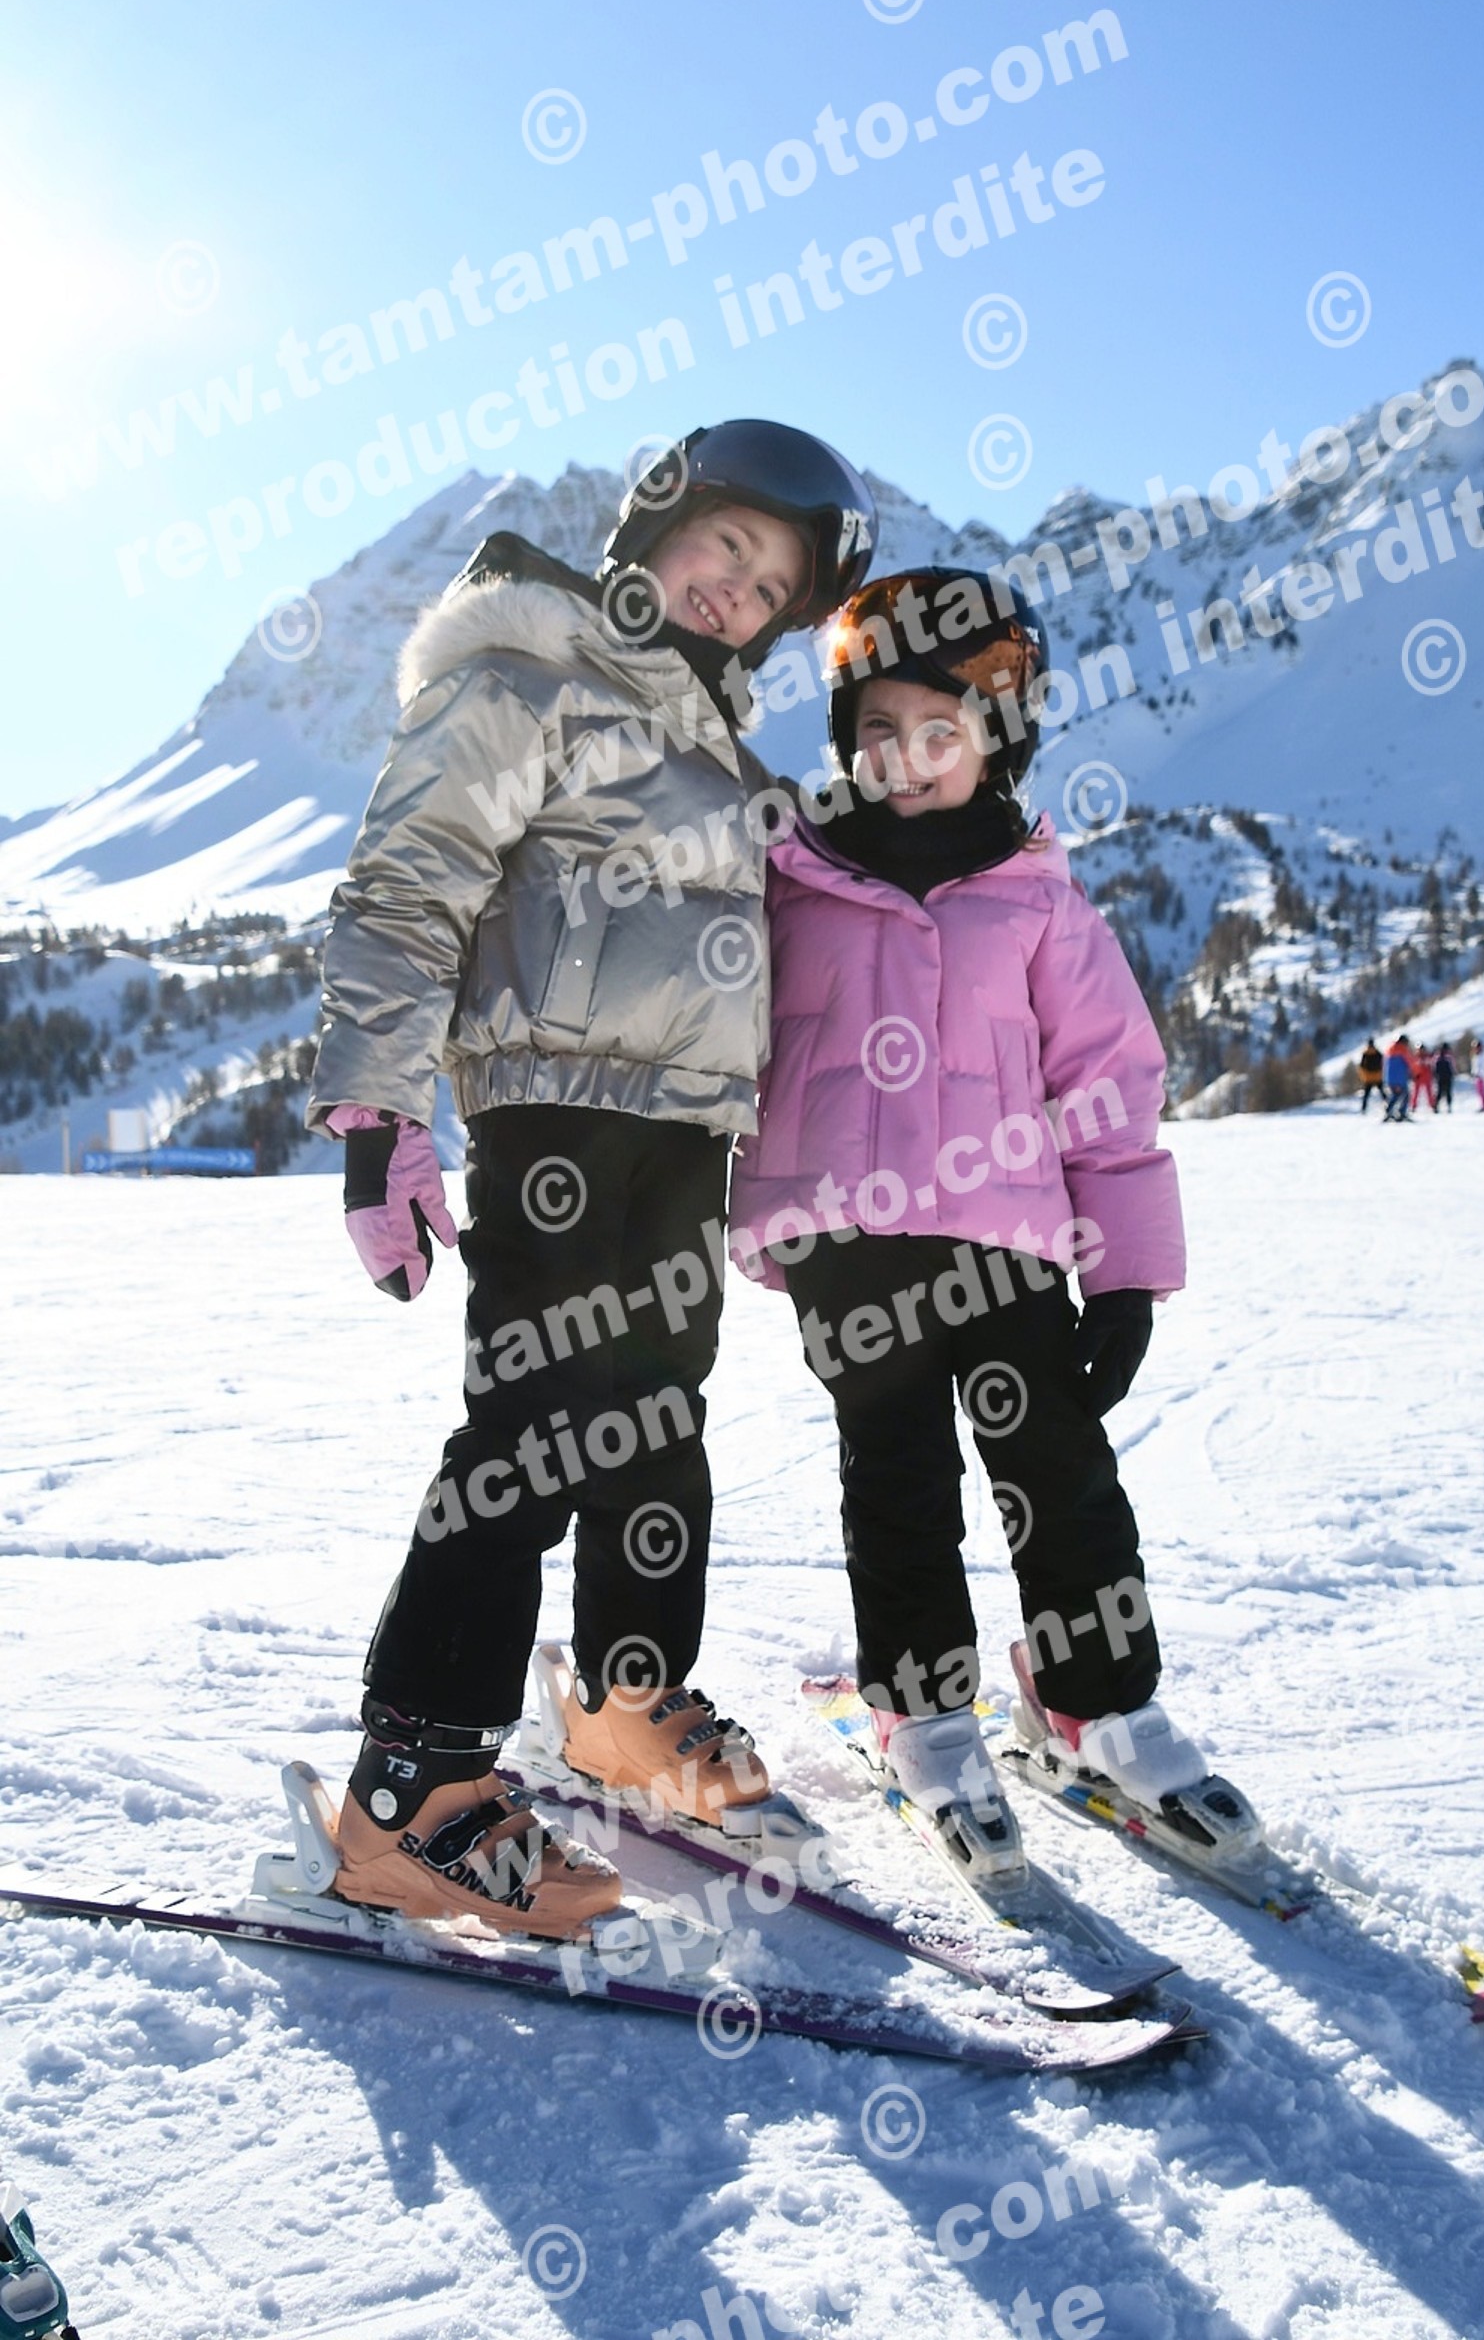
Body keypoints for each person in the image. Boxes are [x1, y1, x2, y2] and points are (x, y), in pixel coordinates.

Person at [305, 420, 878, 1937]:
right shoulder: (524, 676)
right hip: (551, 1113)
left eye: (770, 584)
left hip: (684, 1131)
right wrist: (377, 1106)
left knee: (657, 1418)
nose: (735, 588)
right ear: (655, 525)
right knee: (533, 1428)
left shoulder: (727, 757)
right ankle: (411, 1788)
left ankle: (625, 1698)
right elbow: (406, 880)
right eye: (726, 545)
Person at [727, 568, 1228, 1876]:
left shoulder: (1037, 896)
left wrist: (1124, 1274)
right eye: (877, 729)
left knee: (1058, 1469)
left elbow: (1108, 1084)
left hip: (1008, 1237)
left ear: (994, 739)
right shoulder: (789, 881)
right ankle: (924, 1711)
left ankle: (1096, 1700)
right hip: (848, 1241)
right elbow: (711, 1034)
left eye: (938, 730)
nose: (906, 756)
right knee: (896, 1475)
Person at [1382, 1034, 1414, 1121]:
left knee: (1395, 1095)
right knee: (1405, 1095)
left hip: (1390, 1078)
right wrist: (1414, 1073)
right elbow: (1410, 1062)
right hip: (1400, 1078)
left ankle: (1389, 1111)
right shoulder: (1403, 1050)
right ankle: (1401, 1112)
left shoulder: (1390, 1049)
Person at [1357, 1037, 1384, 1112]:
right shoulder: (1378, 1053)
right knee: (1383, 1093)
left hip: (1368, 1078)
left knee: (1366, 1095)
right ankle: (1388, 1106)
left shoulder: (1365, 1054)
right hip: (1378, 1076)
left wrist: (1363, 1077)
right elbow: (1383, 1064)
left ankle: (1363, 1109)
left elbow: (1361, 1067)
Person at [1410, 1041, 1437, 1116]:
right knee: (1415, 1093)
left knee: (1430, 1093)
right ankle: (1413, 1106)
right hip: (1418, 1077)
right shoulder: (1415, 1057)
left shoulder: (1427, 1057)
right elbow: (1413, 1068)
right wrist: (1413, 1075)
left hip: (1427, 1077)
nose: (1421, 1051)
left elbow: (1431, 1065)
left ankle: (1433, 1105)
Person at [1469, 1034, 1484, 1111]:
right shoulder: (1476, 1056)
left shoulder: (1482, 1056)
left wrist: (1478, 1074)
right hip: (1477, 1077)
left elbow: (1482, 1067)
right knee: (1479, 1092)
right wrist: (1473, 1073)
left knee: (1482, 1092)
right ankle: (1483, 1106)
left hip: (1481, 1076)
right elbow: (1475, 1067)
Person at [1434, 1038, 1456, 1112]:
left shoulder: (1443, 1057)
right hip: (1444, 1077)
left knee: (1444, 1092)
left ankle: (1446, 1106)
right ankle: (1438, 1106)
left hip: (1444, 1077)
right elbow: (1453, 1067)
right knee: (1442, 1092)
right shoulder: (1442, 1057)